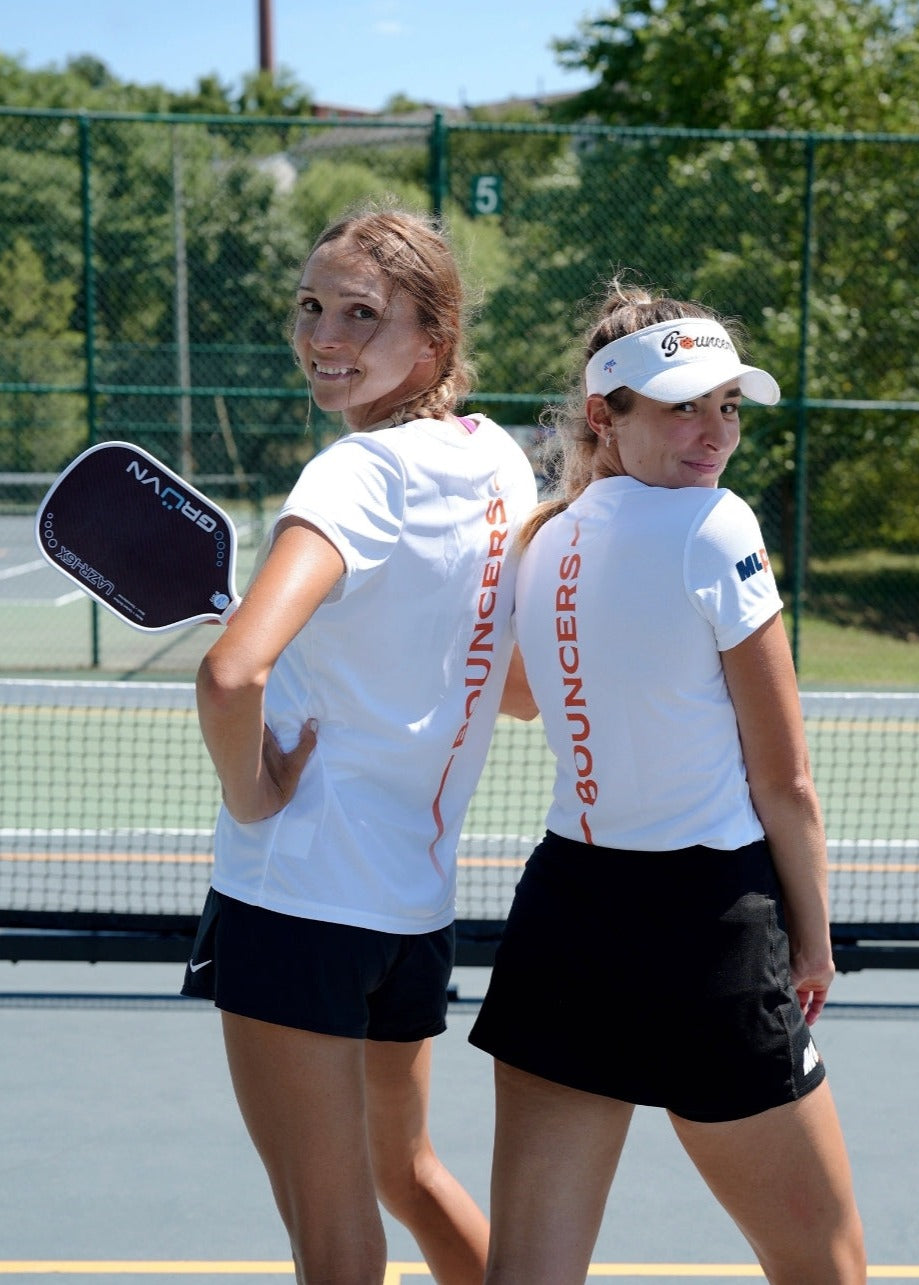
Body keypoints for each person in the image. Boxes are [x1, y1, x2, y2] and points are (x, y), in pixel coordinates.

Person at [469, 283, 867, 1283]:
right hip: (708, 933)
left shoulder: (544, 537)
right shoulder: (714, 528)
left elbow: (519, 697)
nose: (713, 432)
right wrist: (813, 943)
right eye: (683, 405)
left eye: (726, 406)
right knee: (825, 1269)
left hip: (563, 917)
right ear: (607, 416)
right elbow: (786, 780)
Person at [181, 204, 538, 1285]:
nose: (323, 335)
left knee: (331, 1237)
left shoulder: (349, 477)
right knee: (409, 1173)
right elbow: (513, 690)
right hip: (412, 913)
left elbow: (229, 673)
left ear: (432, 341)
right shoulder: (499, 464)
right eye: (310, 306)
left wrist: (248, 793)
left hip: (294, 901)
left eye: (360, 315)